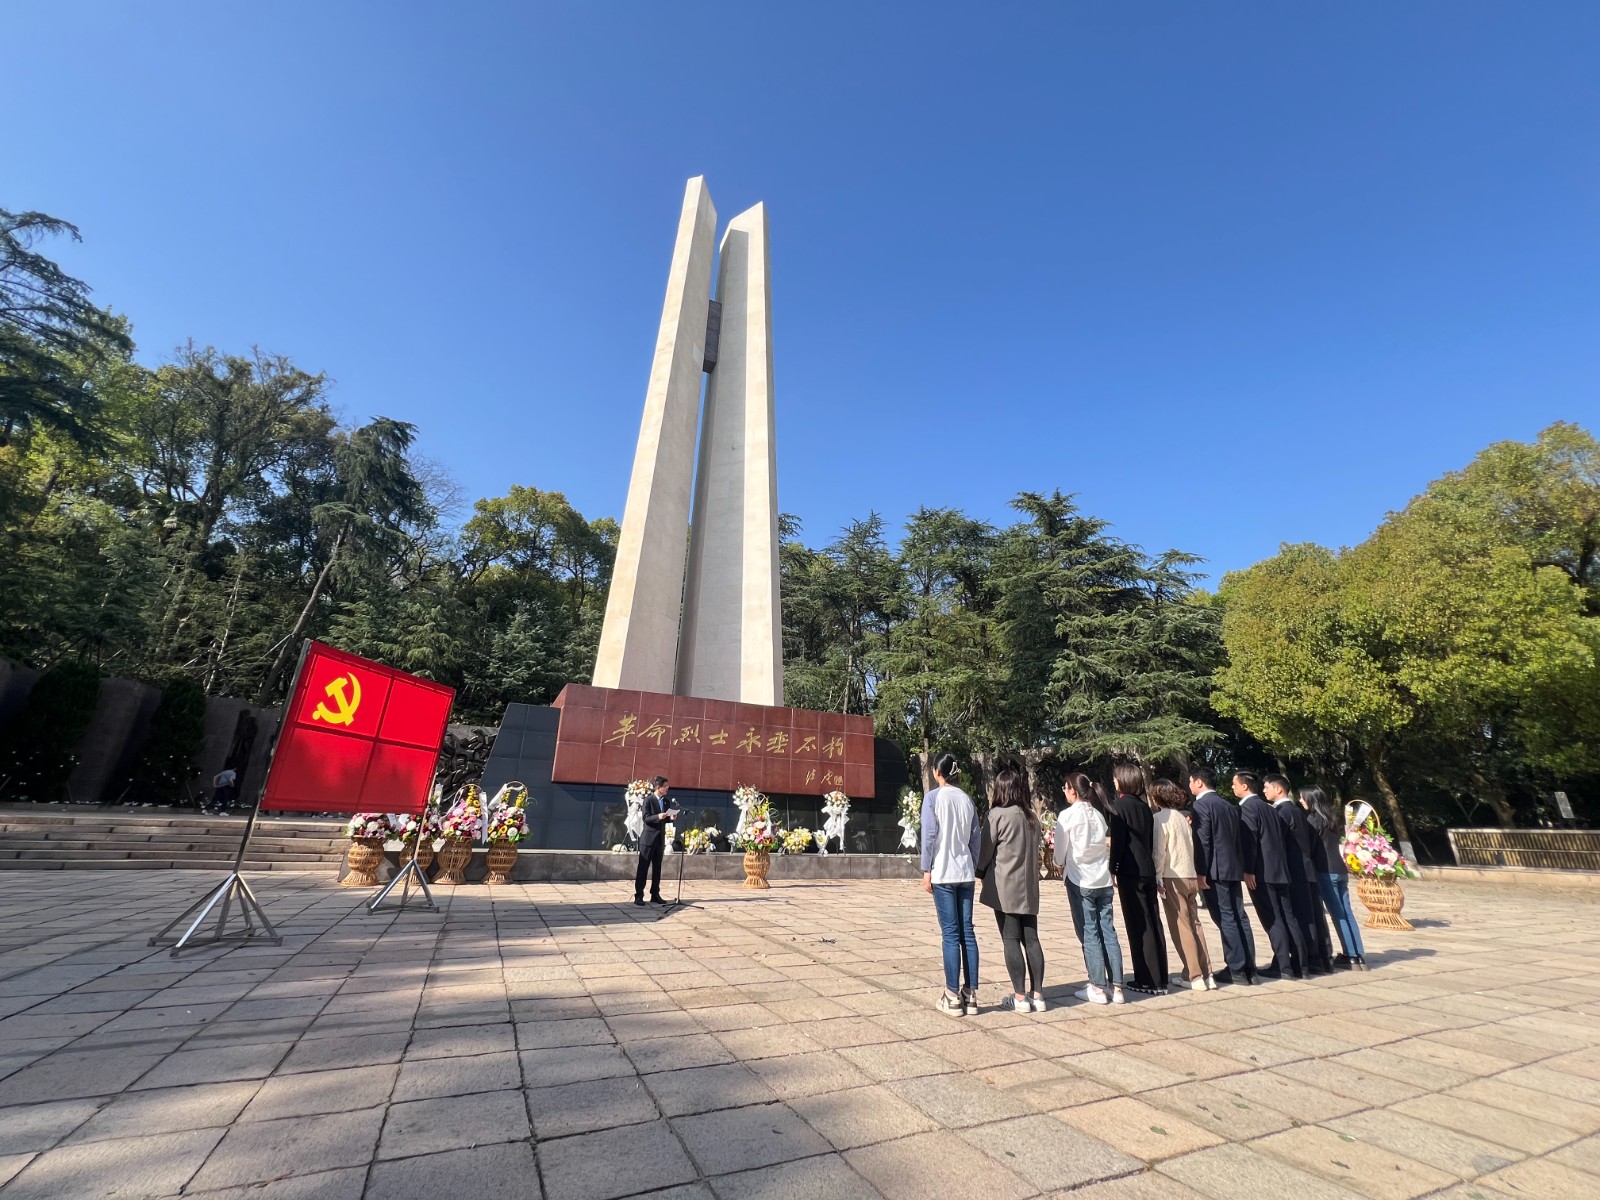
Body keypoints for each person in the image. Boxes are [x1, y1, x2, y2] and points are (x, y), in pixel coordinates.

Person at [978, 767, 1046, 1013]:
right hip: (1029, 887)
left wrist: (979, 872)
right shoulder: (1031, 817)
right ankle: (1037, 994)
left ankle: (1019, 996)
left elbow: (985, 850)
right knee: (1032, 939)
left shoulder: (997, 815)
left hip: (1005, 887)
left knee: (1010, 939)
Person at [1055, 772, 1125, 1005]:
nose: (1064, 792)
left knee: (1089, 932)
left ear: (1073, 790)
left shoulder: (1067, 815)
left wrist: (1059, 863)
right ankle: (1117, 986)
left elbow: (1059, 854)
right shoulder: (1098, 814)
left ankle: (1097, 986)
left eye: (1065, 788)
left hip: (1080, 879)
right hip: (1102, 879)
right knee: (1108, 931)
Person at [922, 752, 982, 1016]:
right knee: (967, 932)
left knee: (950, 933)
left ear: (937, 772)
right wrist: (972, 864)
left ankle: (951, 995)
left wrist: (926, 869)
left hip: (944, 873)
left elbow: (929, 836)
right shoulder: (967, 799)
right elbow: (975, 838)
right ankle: (971, 994)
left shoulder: (933, 798)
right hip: (965, 873)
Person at [1189, 766, 1257, 985]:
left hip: (1215, 870)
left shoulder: (1201, 805)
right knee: (1239, 916)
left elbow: (1203, 841)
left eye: (1191, 781)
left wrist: (1200, 871)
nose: (1189, 786)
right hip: (1232, 867)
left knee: (1226, 917)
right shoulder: (1228, 805)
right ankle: (1250, 968)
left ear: (1199, 782)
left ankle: (1236, 968)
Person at [1235, 770, 1305, 978]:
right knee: (1289, 917)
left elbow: (1250, 842)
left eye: (1234, 784)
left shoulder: (1248, 808)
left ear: (1244, 786)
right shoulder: (1269, 808)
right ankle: (1300, 964)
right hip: (1279, 870)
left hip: (1262, 873)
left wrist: (1248, 870)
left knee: (1272, 919)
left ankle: (1283, 966)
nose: (1232, 787)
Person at [1109, 763, 1169, 994]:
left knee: (1138, 925)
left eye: (1116, 778)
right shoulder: (1144, 807)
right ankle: (1160, 977)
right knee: (1153, 922)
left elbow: (1118, 842)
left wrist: (1113, 868)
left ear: (1122, 781)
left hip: (1130, 871)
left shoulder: (1119, 806)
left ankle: (1146, 978)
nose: (1114, 782)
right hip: (1147, 869)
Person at [1150, 779, 1215, 991]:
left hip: (1172, 875)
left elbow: (1159, 852)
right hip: (1189, 874)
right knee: (1195, 925)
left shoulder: (1159, 819)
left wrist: (1157, 876)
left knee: (1181, 926)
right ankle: (1207, 973)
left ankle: (1193, 975)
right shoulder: (1181, 817)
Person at [1265, 773, 1332, 974]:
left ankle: (1305, 960)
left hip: (1294, 871)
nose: (1264, 790)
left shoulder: (1282, 812)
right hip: (1306, 868)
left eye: (1267, 787)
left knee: (1299, 917)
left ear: (1279, 789)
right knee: (1311, 917)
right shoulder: (1297, 811)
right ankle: (1318, 959)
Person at [1303, 784, 1367, 970]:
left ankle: (1350, 955)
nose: (1300, 801)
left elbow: (1310, 847)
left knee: (1338, 914)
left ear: (1310, 799)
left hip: (1325, 870)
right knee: (1347, 912)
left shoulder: (1313, 820)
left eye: (1302, 797)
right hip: (1340, 868)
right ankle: (1358, 954)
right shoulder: (1331, 818)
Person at [634, 776, 679, 907]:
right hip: (648, 839)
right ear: (658, 787)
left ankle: (655, 894)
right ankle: (639, 896)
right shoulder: (648, 800)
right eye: (665, 786)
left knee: (657, 868)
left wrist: (671, 818)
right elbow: (646, 818)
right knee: (643, 868)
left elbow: (666, 819)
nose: (667, 788)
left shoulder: (666, 802)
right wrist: (658, 817)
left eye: (668, 786)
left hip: (660, 839)